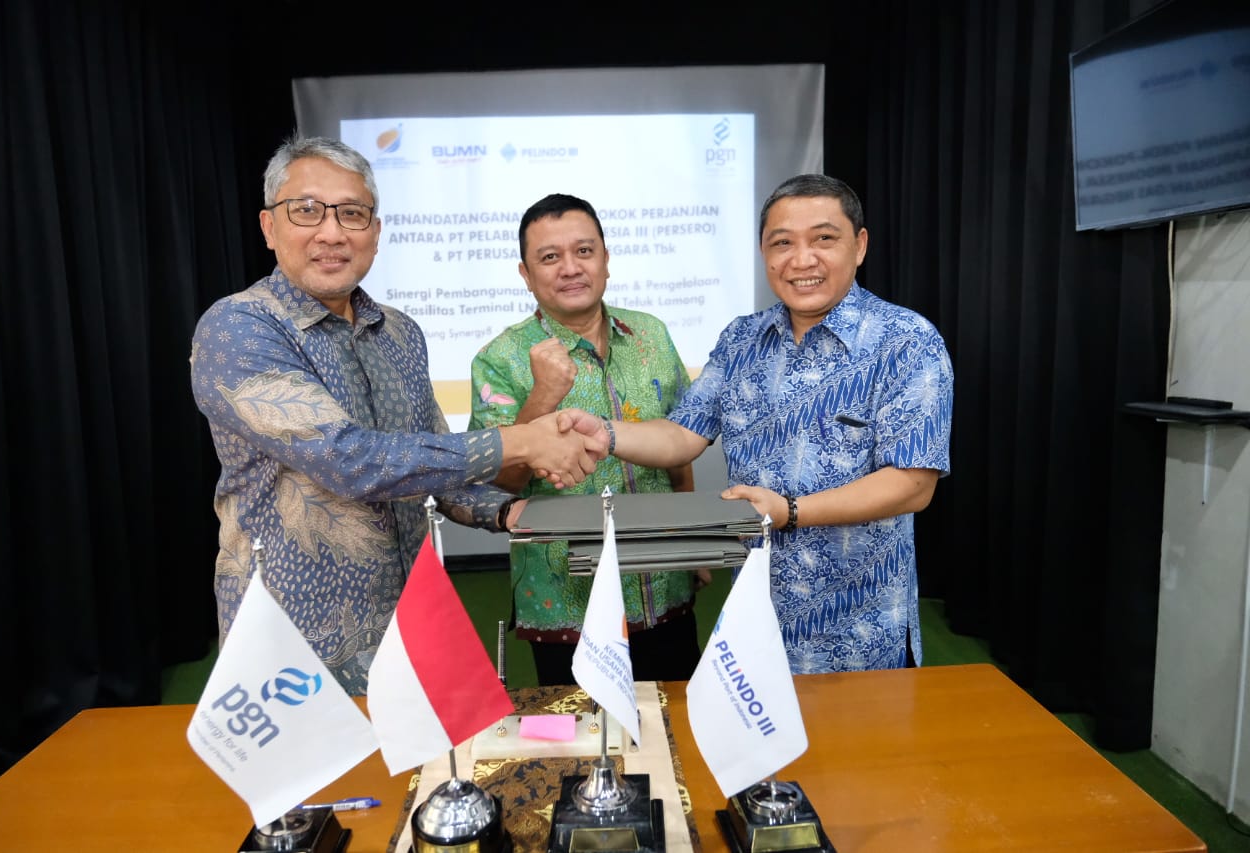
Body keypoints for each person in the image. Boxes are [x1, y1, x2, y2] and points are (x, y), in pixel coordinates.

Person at [190, 136, 607, 694]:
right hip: (297, 642)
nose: (332, 233)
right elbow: (349, 460)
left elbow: (434, 465)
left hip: (414, 623)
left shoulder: (400, 333)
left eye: (352, 214)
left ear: (376, 231)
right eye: (307, 211)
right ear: (269, 226)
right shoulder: (239, 328)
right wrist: (524, 442)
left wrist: (512, 512)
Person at [568, 174, 954, 673]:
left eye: (823, 238)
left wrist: (789, 511)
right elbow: (682, 434)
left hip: (861, 635)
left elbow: (912, 484)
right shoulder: (741, 339)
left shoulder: (907, 342)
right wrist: (607, 433)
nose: (802, 259)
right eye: (782, 243)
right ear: (764, 253)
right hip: (755, 627)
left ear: (859, 246)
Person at [468, 193, 705, 686]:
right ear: (526, 274)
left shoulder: (651, 335)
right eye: (549, 257)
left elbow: (679, 442)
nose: (571, 268)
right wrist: (543, 395)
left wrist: (693, 541)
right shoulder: (499, 358)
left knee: (678, 723)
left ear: (605, 259)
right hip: (567, 603)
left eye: (584, 251)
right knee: (583, 732)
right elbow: (501, 484)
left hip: (664, 584)